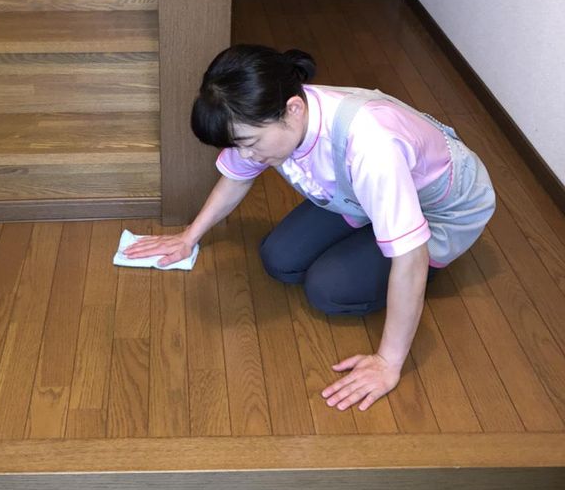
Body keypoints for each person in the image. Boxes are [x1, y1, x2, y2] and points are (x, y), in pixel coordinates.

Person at [125, 45, 496, 413]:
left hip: (441, 211)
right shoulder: (271, 111)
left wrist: (388, 362)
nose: (247, 154)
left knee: (327, 290)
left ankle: (424, 260)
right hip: (360, 195)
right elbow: (237, 176)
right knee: (279, 259)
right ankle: (377, 234)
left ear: (293, 110)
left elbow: (410, 258)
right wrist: (188, 237)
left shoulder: (371, 147)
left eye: (250, 143)